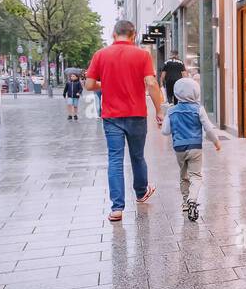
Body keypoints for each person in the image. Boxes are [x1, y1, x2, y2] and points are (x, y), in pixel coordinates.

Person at [84, 19, 165, 222]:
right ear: (134, 35)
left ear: (113, 34)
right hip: (137, 114)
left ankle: (117, 208)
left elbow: (89, 84)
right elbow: (151, 83)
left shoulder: (100, 55)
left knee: (115, 160)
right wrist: (159, 110)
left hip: (111, 117)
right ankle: (140, 193)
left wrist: (108, 83)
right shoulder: (142, 55)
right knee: (137, 157)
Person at [162, 76, 221, 219]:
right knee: (196, 176)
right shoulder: (198, 109)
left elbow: (165, 131)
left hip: (179, 148)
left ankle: (185, 203)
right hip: (195, 146)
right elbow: (209, 128)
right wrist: (216, 142)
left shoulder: (171, 111)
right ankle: (193, 199)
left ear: (176, 93)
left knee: (184, 176)